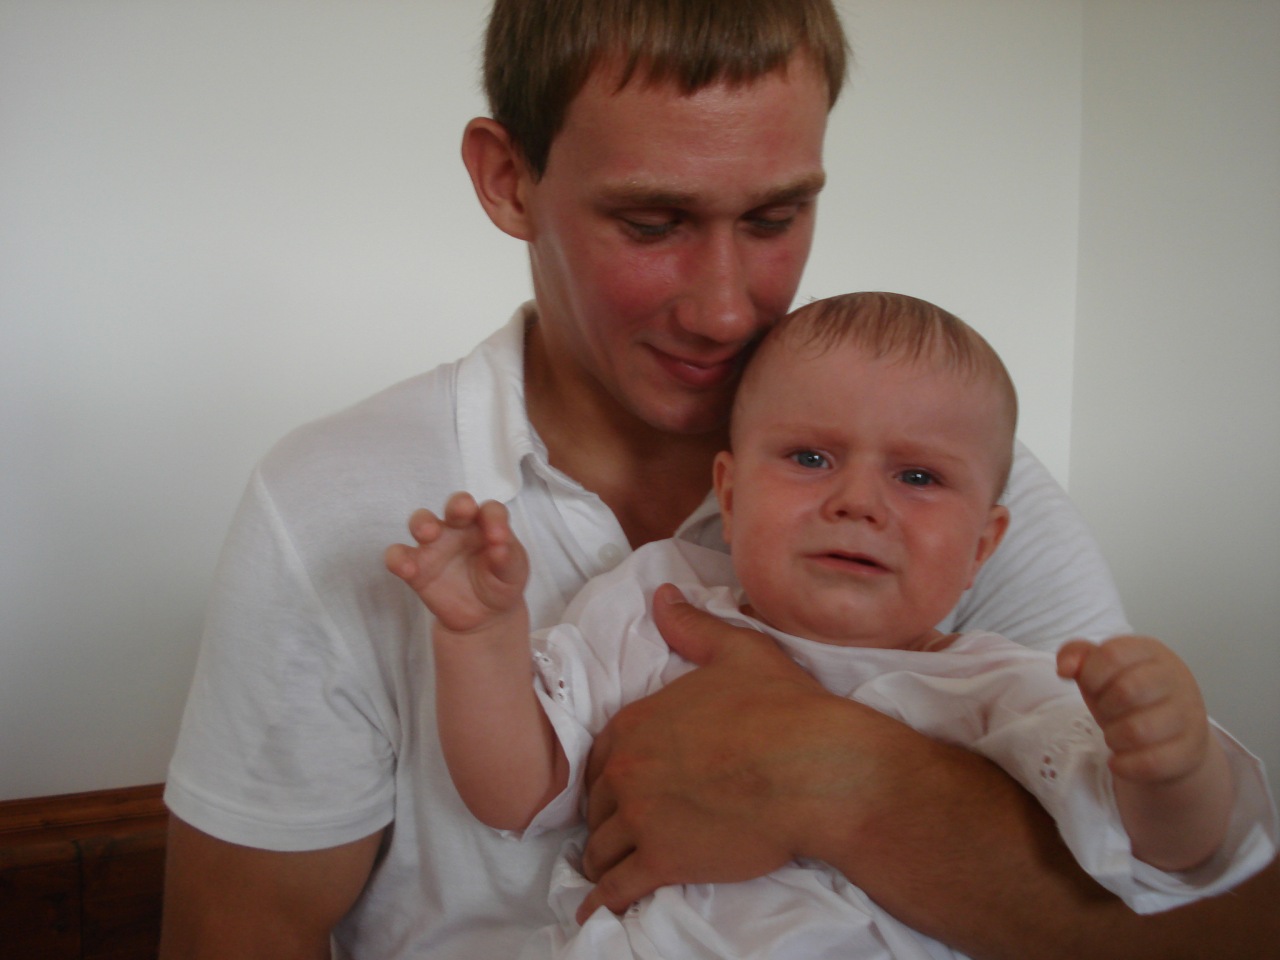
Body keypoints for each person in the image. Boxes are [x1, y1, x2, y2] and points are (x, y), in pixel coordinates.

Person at [159, 2, 1280, 958]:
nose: (726, 308)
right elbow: (240, 934)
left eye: (775, 218)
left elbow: (1216, 919)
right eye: (651, 223)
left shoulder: (946, 495)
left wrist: (829, 780)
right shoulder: (335, 506)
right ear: (508, 180)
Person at [387, 292, 1276, 959]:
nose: (858, 502)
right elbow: (517, 795)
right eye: (810, 458)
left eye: (919, 477)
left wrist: (1170, 768)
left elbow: (1162, 863)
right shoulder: (657, 606)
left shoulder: (1001, 692)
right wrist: (479, 640)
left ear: (983, 546)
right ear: (730, 494)